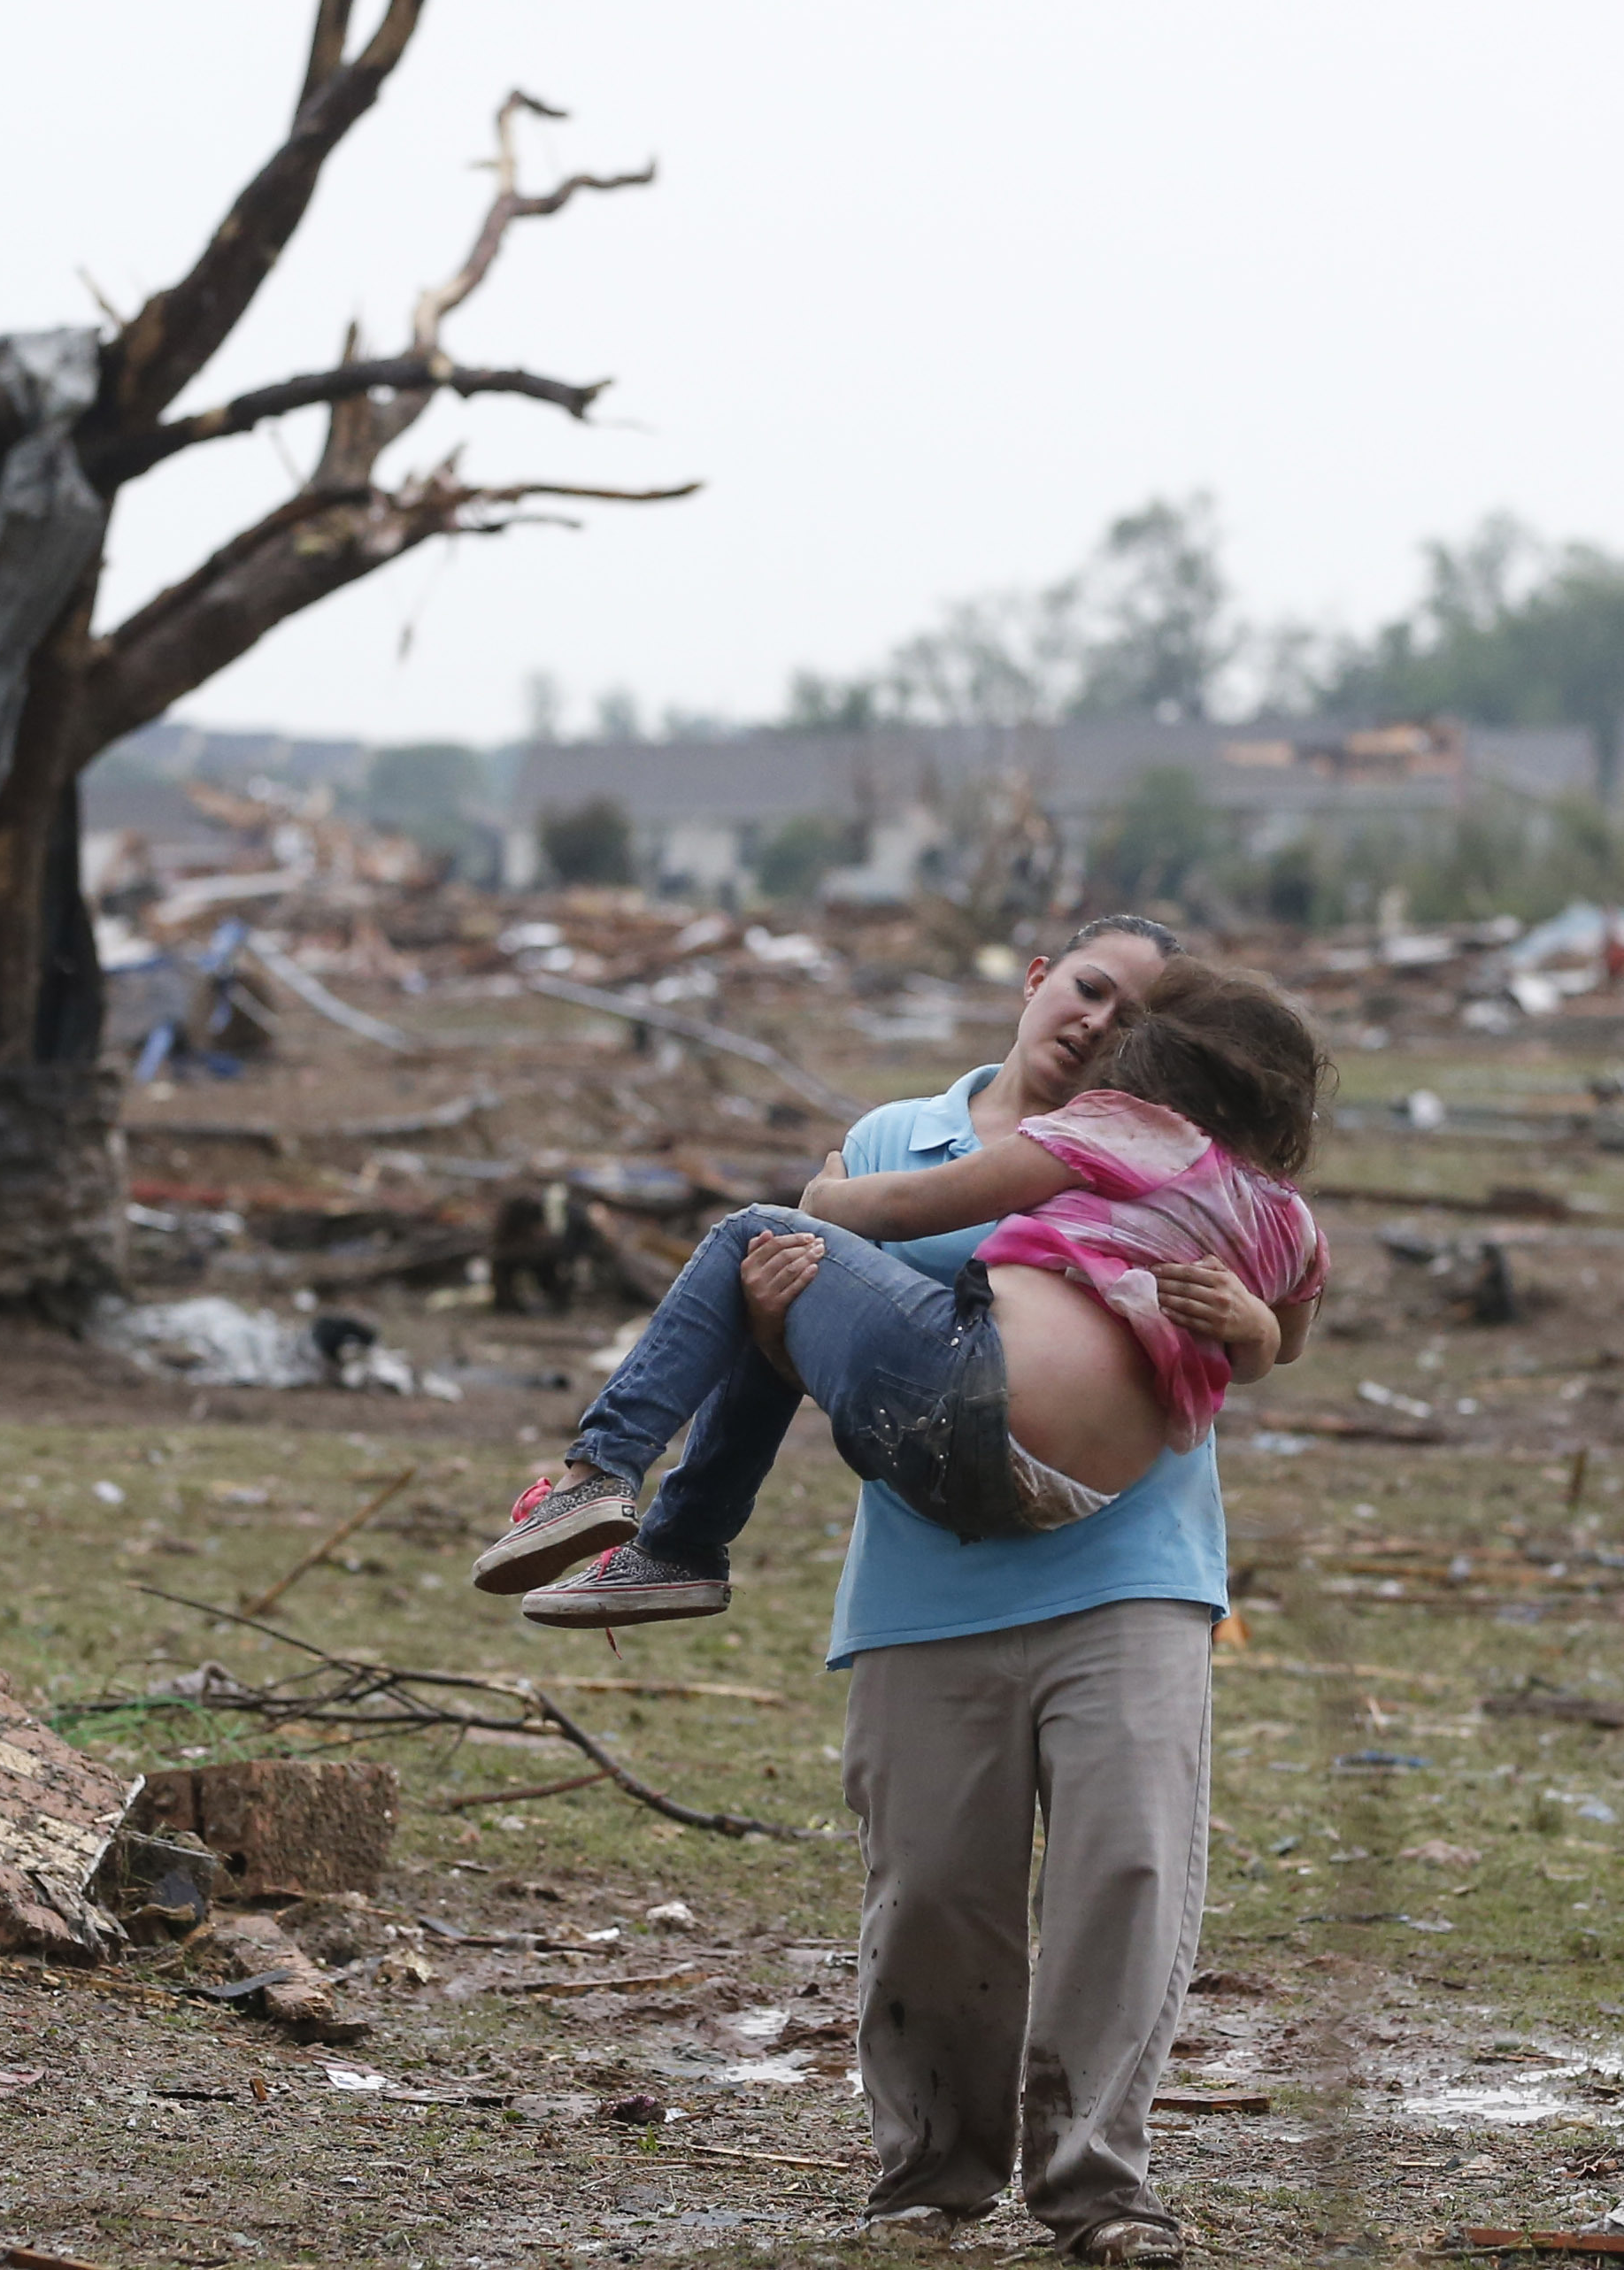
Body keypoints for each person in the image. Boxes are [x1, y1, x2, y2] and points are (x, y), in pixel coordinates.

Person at [515, 915, 1301, 2261]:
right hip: (927, 1585)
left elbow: (1280, 1317)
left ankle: (1099, 2185)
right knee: (934, 1892)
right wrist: (772, 1310)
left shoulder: (1195, 1163)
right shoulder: (895, 1141)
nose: (1102, 1021)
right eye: (1090, 986)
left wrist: (1256, 1320)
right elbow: (826, 1321)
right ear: (1035, 972)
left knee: (1128, 1868)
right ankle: (933, 2175)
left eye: (1140, 1013)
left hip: (1134, 1573)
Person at [469, 954, 1327, 1610]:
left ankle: (603, 1478)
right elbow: (1284, 1344)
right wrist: (1251, 1325)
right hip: (1064, 1497)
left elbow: (916, 1206)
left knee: (756, 1241)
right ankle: (678, 1546)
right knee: (784, 1279)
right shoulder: (1291, 1220)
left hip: (972, 1399)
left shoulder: (1123, 1125)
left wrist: (823, 1197)